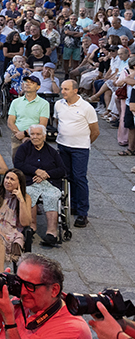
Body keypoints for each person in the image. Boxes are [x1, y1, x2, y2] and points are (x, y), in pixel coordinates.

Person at [53, 79, 98, 228]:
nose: (63, 91)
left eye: (66, 89)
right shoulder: (59, 104)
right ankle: (71, 204)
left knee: (79, 178)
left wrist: (84, 143)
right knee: (66, 177)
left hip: (80, 148)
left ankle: (82, 212)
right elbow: (56, 122)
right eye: (62, 88)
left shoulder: (86, 108)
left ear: (75, 90)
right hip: (63, 146)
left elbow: (95, 131)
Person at [13, 124, 67, 246]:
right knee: (29, 194)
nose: (35, 137)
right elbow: (18, 164)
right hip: (30, 182)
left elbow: (62, 170)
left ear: (44, 136)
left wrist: (46, 174)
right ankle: (31, 226)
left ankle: (51, 232)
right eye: (32, 134)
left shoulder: (51, 152)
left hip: (50, 183)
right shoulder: (24, 149)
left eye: (38, 134)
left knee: (52, 196)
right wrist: (36, 171)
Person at [7, 74, 50, 156]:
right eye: (26, 82)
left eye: (32, 83)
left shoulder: (44, 104)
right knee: (17, 162)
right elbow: (10, 122)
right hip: (17, 136)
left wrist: (25, 134)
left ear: (38, 87)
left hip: (36, 137)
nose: (27, 84)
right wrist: (18, 134)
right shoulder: (16, 102)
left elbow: (42, 124)